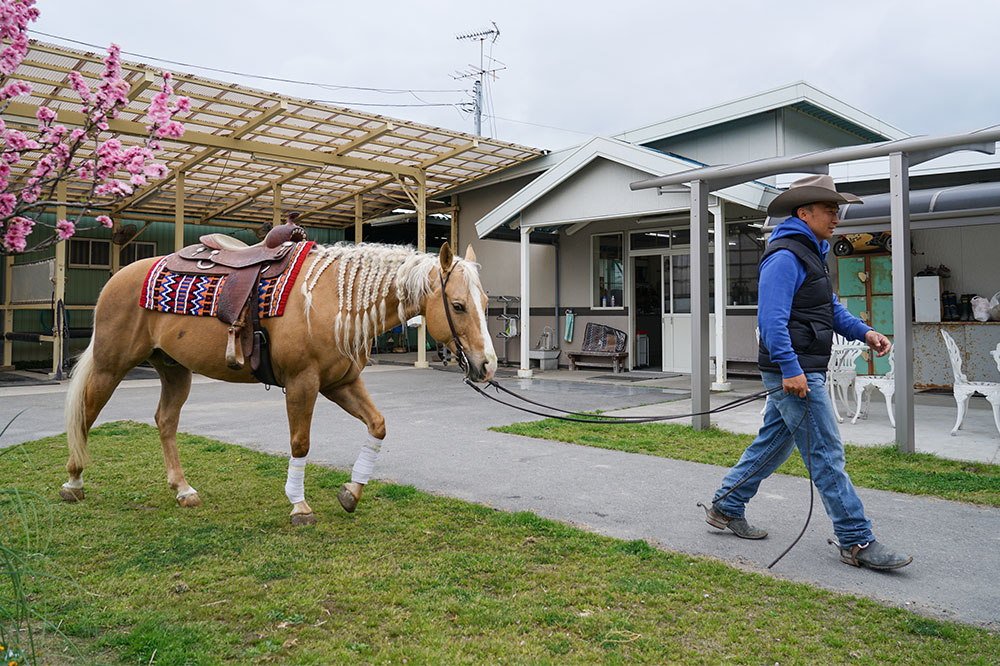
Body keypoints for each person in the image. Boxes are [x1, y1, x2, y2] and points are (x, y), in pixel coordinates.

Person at [702, 174, 912, 570]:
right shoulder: (785, 256)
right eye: (830, 210)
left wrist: (865, 332)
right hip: (795, 371)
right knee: (826, 452)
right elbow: (771, 320)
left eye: (837, 210)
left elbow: (829, 310)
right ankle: (855, 540)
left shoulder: (812, 252)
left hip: (801, 367)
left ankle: (727, 506)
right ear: (805, 212)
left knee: (775, 443)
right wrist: (790, 369)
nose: (837, 217)